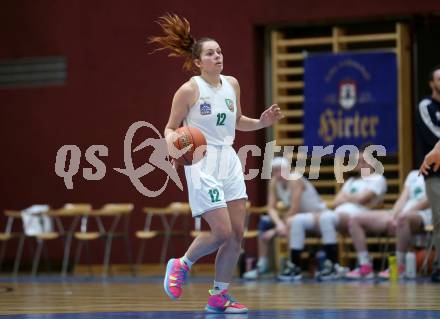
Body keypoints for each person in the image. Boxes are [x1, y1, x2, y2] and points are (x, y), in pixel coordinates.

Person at [150, 14, 283, 313]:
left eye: (219, 51)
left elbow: (237, 122)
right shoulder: (189, 90)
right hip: (201, 160)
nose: (217, 56)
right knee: (221, 232)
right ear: (198, 61)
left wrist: (262, 122)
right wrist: (175, 142)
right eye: (210, 53)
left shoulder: (232, 85)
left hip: (229, 158)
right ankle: (181, 264)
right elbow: (169, 129)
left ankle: (219, 296)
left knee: (236, 234)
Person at [242, 157, 327, 281]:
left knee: (291, 224)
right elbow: (270, 208)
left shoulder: (295, 179)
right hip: (296, 216)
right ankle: (262, 265)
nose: (278, 174)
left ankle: (291, 263)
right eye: (275, 171)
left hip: (315, 216)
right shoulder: (274, 182)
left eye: (281, 170)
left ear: (289, 170)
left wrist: (276, 229)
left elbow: (295, 208)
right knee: (265, 222)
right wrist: (278, 224)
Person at [344, 170, 430, 279]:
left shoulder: (436, 174)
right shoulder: (413, 174)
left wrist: (402, 215)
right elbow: (403, 198)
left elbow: (428, 200)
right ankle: (365, 265)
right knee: (354, 219)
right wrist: (394, 215)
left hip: (425, 214)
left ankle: (399, 265)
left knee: (402, 219)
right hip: (402, 213)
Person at [317, 148, 387, 279]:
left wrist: (347, 197)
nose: (361, 164)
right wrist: (355, 198)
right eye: (358, 161)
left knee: (327, 218)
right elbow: (337, 202)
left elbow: (363, 199)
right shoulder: (351, 181)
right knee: (320, 218)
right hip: (342, 216)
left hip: (364, 217)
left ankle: (332, 264)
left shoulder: (378, 179)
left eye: (365, 161)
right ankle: (330, 264)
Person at [417, 65, 440, 282]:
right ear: (432, 83)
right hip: (435, 172)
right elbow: (433, 135)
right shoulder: (426, 105)